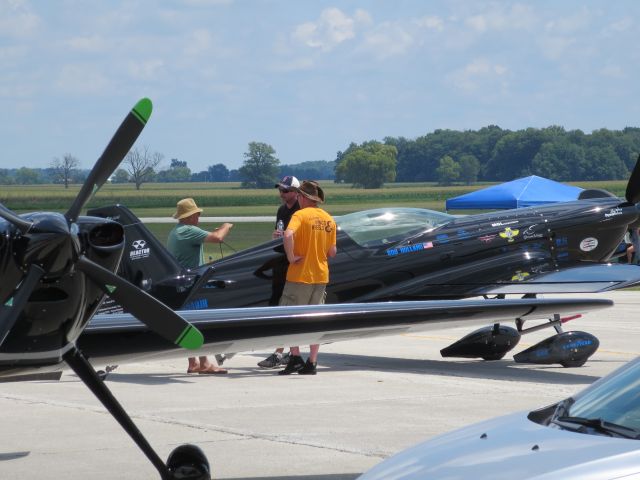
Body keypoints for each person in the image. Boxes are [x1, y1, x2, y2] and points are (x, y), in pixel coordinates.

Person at [167, 197, 233, 375]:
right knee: (200, 323)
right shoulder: (189, 230)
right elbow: (218, 238)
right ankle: (204, 363)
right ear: (189, 217)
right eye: (196, 214)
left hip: (182, 284)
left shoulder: (177, 231)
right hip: (192, 285)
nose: (198, 217)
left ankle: (194, 362)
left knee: (189, 323)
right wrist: (226, 226)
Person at [278, 180, 337, 375]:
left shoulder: (300, 215)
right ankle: (312, 362)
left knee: (289, 317)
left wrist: (291, 256)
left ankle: (295, 357)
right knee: (315, 320)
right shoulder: (329, 219)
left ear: (302, 197)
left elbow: (288, 235)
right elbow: (333, 252)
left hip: (300, 275)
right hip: (321, 276)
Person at [257, 176, 301, 369]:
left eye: (285, 191)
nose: (281, 194)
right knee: (278, 304)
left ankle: (280, 353)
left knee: (289, 307)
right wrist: (276, 236)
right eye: (280, 190)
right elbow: (280, 232)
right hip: (281, 263)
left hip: (296, 263)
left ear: (296, 192)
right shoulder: (282, 210)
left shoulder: (302, 211)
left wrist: (289, 238)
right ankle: (288, 353)